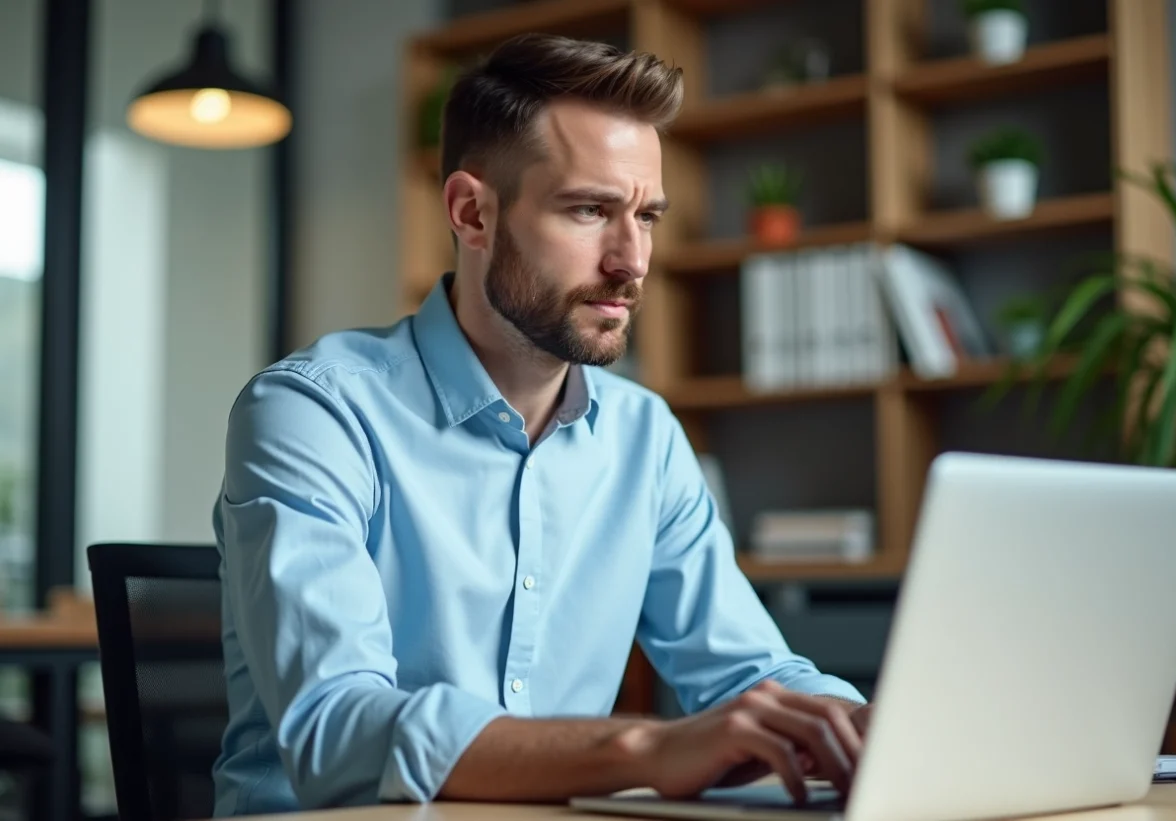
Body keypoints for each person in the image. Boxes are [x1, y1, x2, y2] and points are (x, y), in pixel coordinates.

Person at [210, 31, 872, 817]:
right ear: (472, 213)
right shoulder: (314, 411)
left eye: (648, 216)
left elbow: (749, 675)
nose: (632, 260)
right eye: (590, 210)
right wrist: (645, 749)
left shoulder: (644, 436)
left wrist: (868, 727)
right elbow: (337, 727)